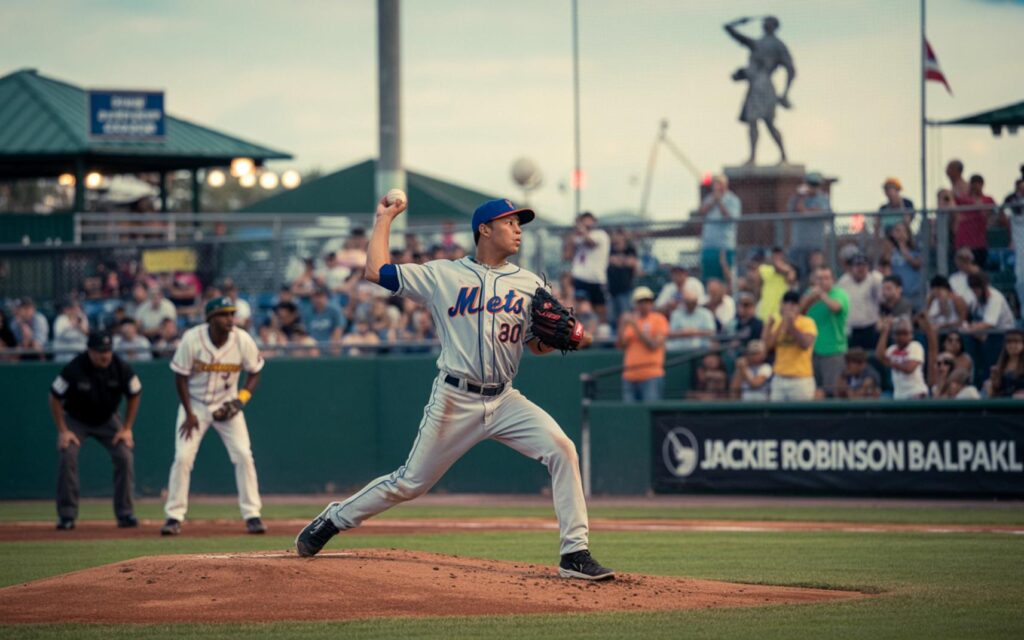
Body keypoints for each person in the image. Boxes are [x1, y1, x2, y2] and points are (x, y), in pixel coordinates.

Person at [295, 196, 615, 581]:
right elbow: (376, 271)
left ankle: (574, 553)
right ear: (484, 229)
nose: (518, 230)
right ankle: (335, 518)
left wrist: (570, 338)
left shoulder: (530, 283)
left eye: (520, 224)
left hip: (505, 398)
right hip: (455, 399)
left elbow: (536, 344)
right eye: (510, 222)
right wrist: (383, 219)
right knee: (409, 483)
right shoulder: (443, 275)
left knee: (562, 449)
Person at [161, 296, 267, 536]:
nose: (230, 319)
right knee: (183, 457)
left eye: (232, 314)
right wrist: (188, 413)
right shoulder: (192, 339)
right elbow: (180, 377)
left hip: (227, 405)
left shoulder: (242, 339)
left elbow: (255, 371)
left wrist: (241, 400)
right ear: (210, 318)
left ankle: (252, 515)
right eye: (224, 314)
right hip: (195, 405)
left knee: (243, 455)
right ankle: (174, 516)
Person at [49, 331, 141, 530]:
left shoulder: (120, 367)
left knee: (125, 456)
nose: (105, 355)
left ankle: (125, 514)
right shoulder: (74, 367)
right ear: (90, 351)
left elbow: (135, 392)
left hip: (108, 420)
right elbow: (54, 396)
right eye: (100, 351)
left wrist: (126, 428)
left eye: (108, 350)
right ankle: (67, 515)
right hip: (76, 421)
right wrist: (63, 430)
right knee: (68, 455)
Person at [723, 15, 795, 164]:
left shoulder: (774, 45)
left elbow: (791, 70)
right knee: (756, 122)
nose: (763, 24)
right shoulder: (760, 43)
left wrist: (786, 93)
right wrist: (785, 93)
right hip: (757, 85)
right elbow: (729, 29)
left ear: (773, 26)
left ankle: (779, 156)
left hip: (762, 86)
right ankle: (756, 156)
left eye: (766, 22)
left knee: (765, 123)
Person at [801, 266, 849, 397]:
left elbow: (836, 308)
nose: (822, 281)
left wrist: (822, 295)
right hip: (812, 351)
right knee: (813, 392)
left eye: (826, 278)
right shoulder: (809, 293)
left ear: (833, 280)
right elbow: (799, 312)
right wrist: (810, 299)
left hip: (833, 352)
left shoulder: (839, 294)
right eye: (819, 278)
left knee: (833, 391)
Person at [616, 286, 669, 403]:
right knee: (630, 415)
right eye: (640, 301)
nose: (644, 304)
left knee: (651, 413)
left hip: (651, 375)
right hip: (629, 376)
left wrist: (635, 326)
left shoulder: (659, 319)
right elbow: (621, 345)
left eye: (647, 301)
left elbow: (653, 345)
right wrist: (621, 325)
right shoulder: (630, 320)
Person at [764, 291, 817, 401]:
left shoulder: (807, 322)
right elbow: (768, 347)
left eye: (793, 304)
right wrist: (768, 327)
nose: (789, 307)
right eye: (786, 303)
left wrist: (791, 326)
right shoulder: (779, 323)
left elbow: (805, 344)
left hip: (800, 380)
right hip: (779, 378)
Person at [563, 212, 611, 325]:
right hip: (579, 277)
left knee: (600, 310)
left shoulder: (600, 234)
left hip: (596, 278)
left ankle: (601, 332)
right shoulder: (578, 237)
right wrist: (572, 235)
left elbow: (591, 243)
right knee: (579, 308)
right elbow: (567, 256)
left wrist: (582, 230)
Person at [788, 173, 832, 282]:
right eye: (810, 184)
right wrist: (802, 197)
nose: (813, 187)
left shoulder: (823, 198)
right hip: (799, 244)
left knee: (816, 273)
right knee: (797, 275)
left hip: (816, 244)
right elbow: (798, 210)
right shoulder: (796, 198)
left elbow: (818, 212)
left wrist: (806, 212)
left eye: (815, 185)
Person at [697, 175, 740, 280]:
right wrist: (713, 201)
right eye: (715, 184)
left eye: (719, 184)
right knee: (709, 277)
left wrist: (720, 202)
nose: (716, 187)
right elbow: (701, 212)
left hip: (725, 245)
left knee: (725, 277)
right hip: (708, 245)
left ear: (725, 185)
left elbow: (731, 218)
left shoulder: (733, 200)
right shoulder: (709, 198)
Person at [876, 316, 928, 400]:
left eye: (905, 333)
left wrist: (890, 363)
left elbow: (909, 368)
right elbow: (879, 356)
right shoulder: (892, 349)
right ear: (894, 336)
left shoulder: (915, 346)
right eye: (898, 333)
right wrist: (885, 332)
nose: (901, 337)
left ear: (911, 335)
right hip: (899, 395)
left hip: (916, 393)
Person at [838, 254, 883, 350]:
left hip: (870, 327)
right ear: (851, 268)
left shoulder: (874, 280)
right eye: (857, 265)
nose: (861, 268)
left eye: (864, 265)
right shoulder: (843, 282)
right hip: (851, 329)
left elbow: (883, 299)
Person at [953, 174, 995, 268]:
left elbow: (988, 214)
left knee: (978, 270)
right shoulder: (963, 199)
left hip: (979, 243)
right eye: (973, 185)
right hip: (963, 243)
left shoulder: (987, 199)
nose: (975, 188)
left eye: (977, 185)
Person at [606, 229, 639, 331]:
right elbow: (608, 261)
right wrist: (623, 261)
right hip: (611, 289)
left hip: (626, 288)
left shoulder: (630, 249)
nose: (616, 238)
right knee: (612, 317)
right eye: (614, 235)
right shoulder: (609, 249)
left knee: (625, 315)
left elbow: (632, 263)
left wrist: (618, 261)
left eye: (619, 235)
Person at [752, 247, 796, 321]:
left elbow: (791, 280)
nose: (777, 258)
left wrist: (783, 269)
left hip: (781, 311)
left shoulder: (789, 270)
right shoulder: (763, 269)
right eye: (775, 256)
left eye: (779, 256)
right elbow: (757, 287)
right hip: (765, 310)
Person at [884, 222, 923, 304]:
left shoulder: (915, 250)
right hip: (897, 295)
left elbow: (917, 264)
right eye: (897, 231)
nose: (900, 234)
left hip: (914, 294)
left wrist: (902, 244)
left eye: (902, 231)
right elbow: (886, 265)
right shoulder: (890, 250)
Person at [983, 329, 1024, 399]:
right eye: (1009, 342)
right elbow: (995, 391)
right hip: (1002, 401)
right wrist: (991, 385)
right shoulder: (999, 366)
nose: (1012, 346)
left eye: (1016, 342)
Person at [52, 298, 89, 363]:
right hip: (64, 354)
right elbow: (62, 335)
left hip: (80, 352)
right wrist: (73, 325)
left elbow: (87, 334)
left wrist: (80, 326)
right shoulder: (60, 320)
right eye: (74, 308)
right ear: (66, 309)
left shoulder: (82, 318)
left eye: (78, 308)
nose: (77, 310)